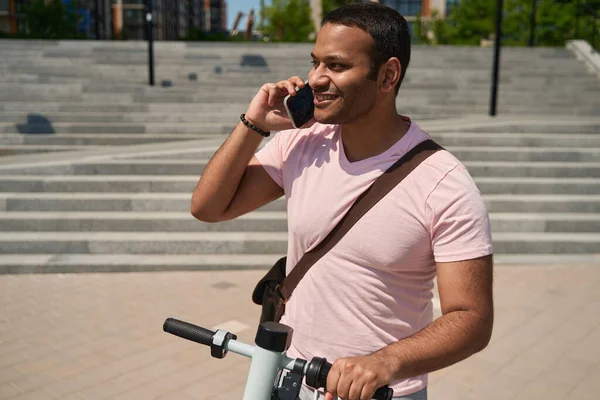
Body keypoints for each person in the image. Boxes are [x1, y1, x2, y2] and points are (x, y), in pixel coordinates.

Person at [191, 3, 494, 400]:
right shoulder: (301, 144)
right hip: (289, 378)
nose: (315, 78)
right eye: (315, 62)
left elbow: (471, 319)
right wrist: (254, 125)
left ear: (387, 75)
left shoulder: (444, 184)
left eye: (336, 66)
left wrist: (385, 362)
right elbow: (208, 207)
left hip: (381, 392)